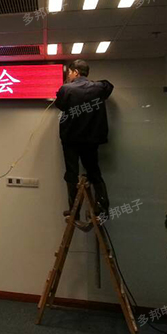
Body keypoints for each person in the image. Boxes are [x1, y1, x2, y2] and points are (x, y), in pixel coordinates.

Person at [55, 60, 114, 220]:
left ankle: (74, 211)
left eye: (69, 73)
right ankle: (103, 208)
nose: (68, 76)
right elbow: (109, 86)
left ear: (76, 72)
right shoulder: (99, 87)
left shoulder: (66, 89)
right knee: (94, 171)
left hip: (71, 139)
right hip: (91, 139)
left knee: (71, 173)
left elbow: (60, 105)